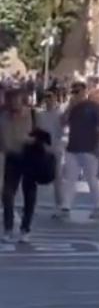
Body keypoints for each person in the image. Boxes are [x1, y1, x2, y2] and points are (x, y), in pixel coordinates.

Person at [63, 81, 99, 219]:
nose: (76, 94)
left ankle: (98, 206)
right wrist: (70, 107)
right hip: (72, 147)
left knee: (91, 179)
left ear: (84, 92)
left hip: (89, 147)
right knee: (70, 178)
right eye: (74, 92)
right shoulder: (72, 108)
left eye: (78, 91)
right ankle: (66, 207)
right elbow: (62, 122)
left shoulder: (93, 107)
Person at [0, 87, 37, 242]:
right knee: (7, 194)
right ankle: (8, 227)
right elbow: (3, 141)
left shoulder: (33, 115)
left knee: (29, 195)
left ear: (23, 101)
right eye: (11, 101)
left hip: (30, 158)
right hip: (12, 158)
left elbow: (41, 137)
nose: (14, 104)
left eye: (17, 100)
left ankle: (25, 228)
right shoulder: (3, 117)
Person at [36, 90, 67, 219]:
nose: (48, 100)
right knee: (35, 177)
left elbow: (63, 129)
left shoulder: (59, 115)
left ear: (55, 99)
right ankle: (33, 203)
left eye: (51, 97)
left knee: (57, 178)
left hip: (56, 150)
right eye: (46, 97)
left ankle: (59, 205)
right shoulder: (40, 116)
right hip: (42, 150)